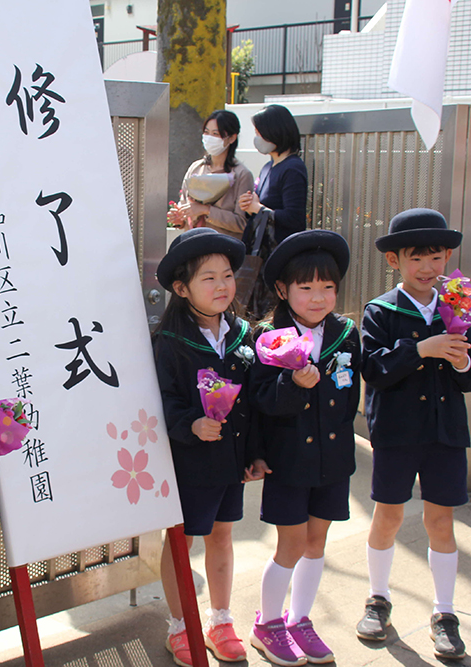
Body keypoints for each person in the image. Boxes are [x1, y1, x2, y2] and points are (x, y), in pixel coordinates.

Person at [356, 209, 471, 661]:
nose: (428, 268)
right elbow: (372, 369)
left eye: (436, 257)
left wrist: (462, 362)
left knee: (441, 522)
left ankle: (445, 613)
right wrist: (422, 349)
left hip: (445, 432)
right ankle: (377, 599)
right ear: (395, 260)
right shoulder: (380, 310)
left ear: (448, 256)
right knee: (388, 516)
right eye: (417, 259)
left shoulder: (457, 307)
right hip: (397, 432)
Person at [247, 230, 359, 666]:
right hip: (289, 460)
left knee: (317, 540)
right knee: (290, 544)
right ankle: (268, 623)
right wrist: (293, 385)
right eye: (306, 287)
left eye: (328, 287)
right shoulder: (268, 338)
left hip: (333, 459)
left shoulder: (345, 333)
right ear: (282, 290)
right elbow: (261, 403)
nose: (318, 298)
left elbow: (349, 397)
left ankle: (300, 619)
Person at [152, 228, 258, 667]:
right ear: (182, 289)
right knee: (182, 539)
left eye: (227, 275)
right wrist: (190, 423)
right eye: (208, 278)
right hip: (190, 459)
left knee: (223, 534)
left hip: (230, 459)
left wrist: (255, 453)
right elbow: (163, 400)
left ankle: (219, 620)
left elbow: (251, 402)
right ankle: (179, 625)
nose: (222, 286)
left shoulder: (243, 334)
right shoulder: (169, 342)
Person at [238, 104, 308, 319]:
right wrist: (250, 206)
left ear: (276, 131)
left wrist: (258, 208)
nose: (257, 138)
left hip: (280, 258)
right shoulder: (269, 167)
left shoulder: (293, 168)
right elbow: (262, 210)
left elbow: (295, 219)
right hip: (261, 256)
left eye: (260, 133)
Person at [168, 110, 255, 240]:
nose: (209, 138)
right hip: (193, 245)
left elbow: (241, 223)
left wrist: (206, 210)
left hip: (222, 248)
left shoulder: (242, 175)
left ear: (232, 138)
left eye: (216, 134)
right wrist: (180, 218)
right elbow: (184, 205)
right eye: (206, 132)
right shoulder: (196, 168)